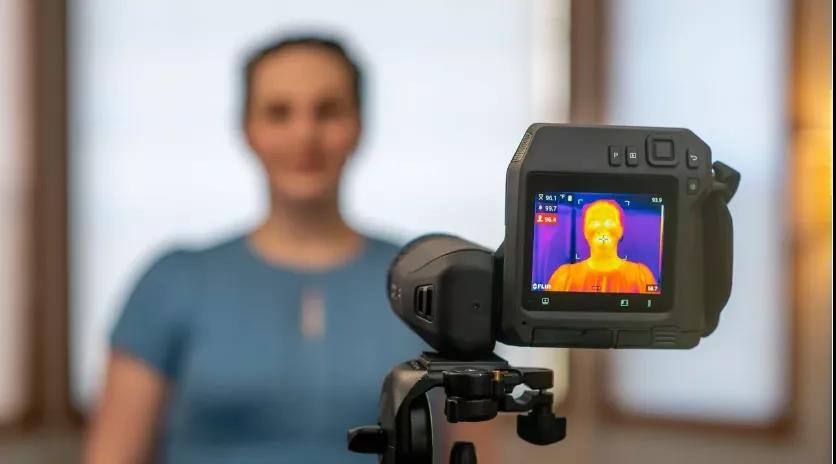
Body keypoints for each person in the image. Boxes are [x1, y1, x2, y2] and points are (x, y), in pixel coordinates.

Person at [85, 35, 424, 463]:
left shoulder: (426, 288)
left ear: (358, 125)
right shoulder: (172, 283)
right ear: (248, 129)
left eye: (327, 111)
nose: (305, 134)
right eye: (279, 112)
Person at [547, 199, 658, 293]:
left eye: (610, 223)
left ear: (621, 230)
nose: (602, 229)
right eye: (594, 223)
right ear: (584, 231)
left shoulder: (641, 277)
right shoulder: (564, 277)